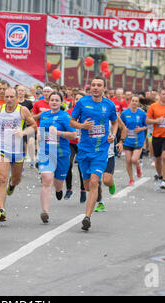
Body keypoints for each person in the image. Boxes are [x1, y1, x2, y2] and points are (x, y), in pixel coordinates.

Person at [70, 77, 118, 232]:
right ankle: (96, 195)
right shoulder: (82, 102)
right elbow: (71, 121)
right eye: (93, 85)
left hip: (101, 150)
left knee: (94, 181)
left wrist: (113, 135)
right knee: (87, 184)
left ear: (104, 87)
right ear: (90, 87)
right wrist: (81, 125)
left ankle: (87, 217)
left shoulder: (109, 105)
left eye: (99, 85)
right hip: (84, 149)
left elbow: (115, 122)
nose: (95, 87)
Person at [0, 87, 37, 223]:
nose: (9, 100)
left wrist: (23, 133)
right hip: (1, 148)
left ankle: (12, 185)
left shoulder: (22, 110)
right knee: (2, 178)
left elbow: (34, 126)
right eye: (6, 97)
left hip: (17, 150)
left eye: (11, 97)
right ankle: (1, 209)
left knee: (16, 179)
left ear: (16, 97)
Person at [38, 92, 77, 223]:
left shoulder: (65, 117)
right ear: (48, 101)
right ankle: (45, 212)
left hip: (62, 154)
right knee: (47, 179)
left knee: (58, 183)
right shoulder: (44, 115)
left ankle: (59, 190)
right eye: (52, 100)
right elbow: (41, 133)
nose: (54, 102)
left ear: (61, 103)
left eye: (57, 100)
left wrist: (58, 133)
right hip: (46, 152)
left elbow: (73, 135)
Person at [120, 95, 148, 186]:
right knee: (128, 160)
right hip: (128, 139)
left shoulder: (142, 114)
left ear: (139, 103)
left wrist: (141, 129)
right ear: (130, 102)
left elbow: (146, 125)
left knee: (134, 159)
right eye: (133, 100)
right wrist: (124, 129)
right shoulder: (124, 113)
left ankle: (138, 166)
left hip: (138, 139)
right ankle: (131, 179)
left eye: (136, 101)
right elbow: (120, 125)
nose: (134, 102)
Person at [65, 92, 87, 202]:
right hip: (70, 142)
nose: (78, 101)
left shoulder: (87, 112)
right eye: (76, 99)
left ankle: (83, 191)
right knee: (68, 164)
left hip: (83, 143)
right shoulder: (69, 112)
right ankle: (69, 188)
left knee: (81, 167)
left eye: (80, 99)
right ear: (73, 100)